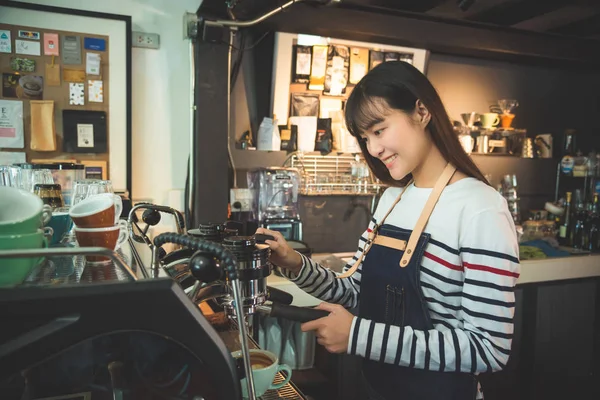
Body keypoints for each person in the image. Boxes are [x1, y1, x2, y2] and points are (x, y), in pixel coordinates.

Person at [256, 61, 520, 400]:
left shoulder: (480, 208)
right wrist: (294, 264)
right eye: (365, 138)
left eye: (379, 130)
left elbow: (488, 348)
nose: (374, 150)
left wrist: (358, 336)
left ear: (422, 112)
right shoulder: (392, 200)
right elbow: (356, 292)